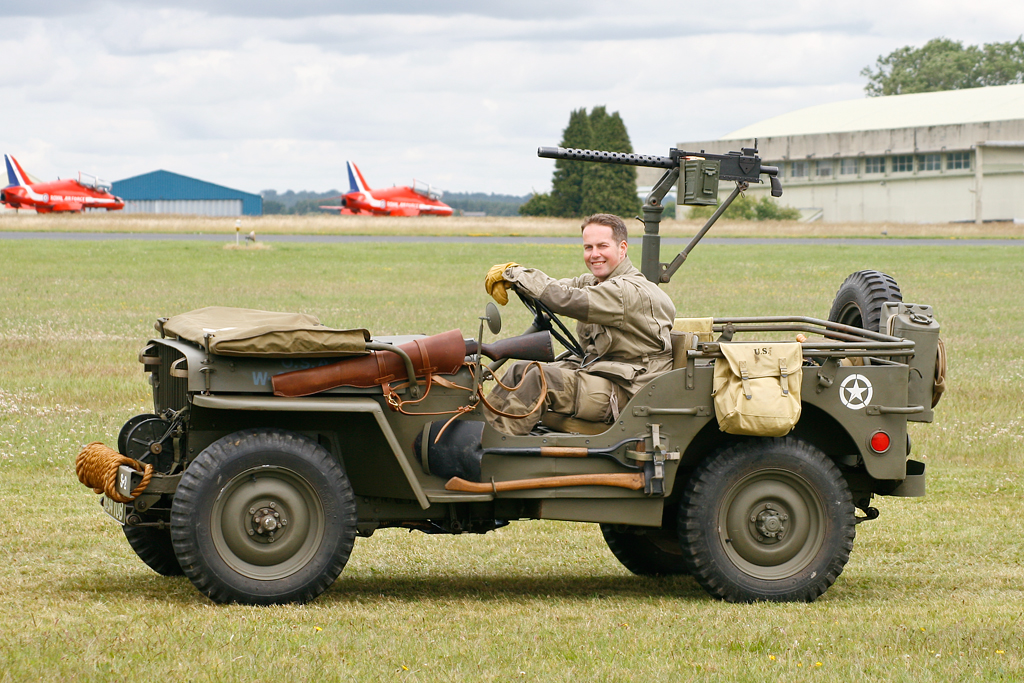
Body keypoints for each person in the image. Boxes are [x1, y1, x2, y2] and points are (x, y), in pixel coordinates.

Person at [482, 213, 676, 435]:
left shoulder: (626, 291)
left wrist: (514, 272)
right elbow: (557, 288)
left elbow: (566, 300)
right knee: (520, 370)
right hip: (603, 375)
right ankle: (479, 432)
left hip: (629, 392)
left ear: (622, 248)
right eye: (588, 247)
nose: (594, 255)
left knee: (538, 379)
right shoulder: (598, 282)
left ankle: (496, 450)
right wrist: (516, 282)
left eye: (602, 246)